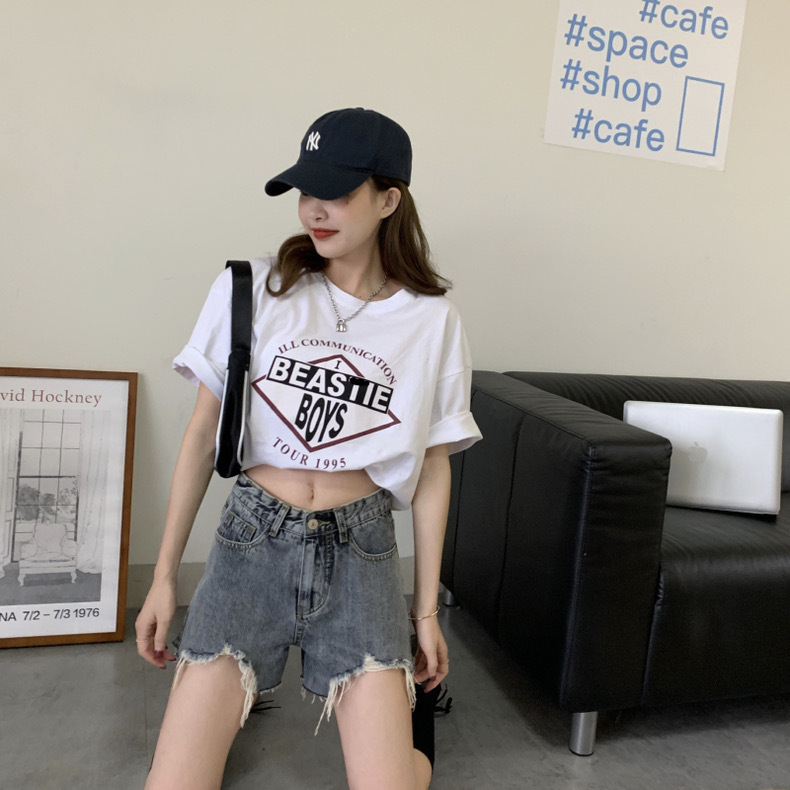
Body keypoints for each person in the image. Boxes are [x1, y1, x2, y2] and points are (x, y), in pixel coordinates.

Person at [135, 107, 482, 790]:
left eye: (337, 193)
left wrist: (424, 612)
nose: (313, 210)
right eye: (304, 191)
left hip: (362, 554)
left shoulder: (432, 320)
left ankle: (410, 734)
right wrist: (164, 575)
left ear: (389, 200)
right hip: (250, 543)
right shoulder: (254, 288)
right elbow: (202, 434)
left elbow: (434, 467)